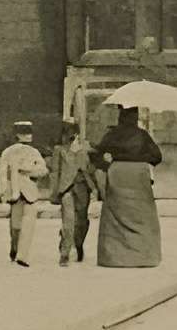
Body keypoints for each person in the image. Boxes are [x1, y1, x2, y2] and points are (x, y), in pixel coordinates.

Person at [90, 104, 163, 269]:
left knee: (115, 215)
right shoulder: (142, 135)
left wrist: (109, 164)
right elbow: (157, 157)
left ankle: (114, 258)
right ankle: (144, 256)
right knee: (142, 215)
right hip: (138, 176)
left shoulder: (112, 134)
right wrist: (141, 158)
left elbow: (96, 155)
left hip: (117, 173)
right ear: (135, 117)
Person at [0, 120, 48, 267]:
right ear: (17, 135)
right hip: (16, 191)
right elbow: (2, 173)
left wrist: (29, 171)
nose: (29, 135)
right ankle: (15, 248)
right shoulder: (8, 152)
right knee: (16, 226)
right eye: (25, 132)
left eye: (29, 132)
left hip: (29, 191)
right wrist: (3, 191)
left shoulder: (34, 152)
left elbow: (43, 170)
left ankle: (22, 255)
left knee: (28, 224)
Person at [46, 120, 94, 265]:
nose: (69, 137)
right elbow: (55, 172)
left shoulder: (84, 148)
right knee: (69, 221)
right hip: (66, 188)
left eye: (72, 133)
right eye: (67, 133)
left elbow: (90, 169)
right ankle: (65, 253)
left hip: (82, 188)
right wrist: (54, 193)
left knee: (82, 222)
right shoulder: (59, 150)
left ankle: (78, 243)